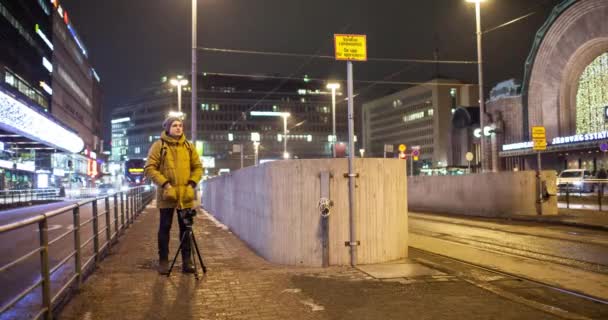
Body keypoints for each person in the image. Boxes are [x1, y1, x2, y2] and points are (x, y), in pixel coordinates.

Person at [144, 116, 203, 274]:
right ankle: (163, 261)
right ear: (167, 128)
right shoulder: (159, 146)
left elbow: (198, 167)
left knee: (186, 229)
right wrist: (165, 184)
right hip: (167, 195)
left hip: (185, 195)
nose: (178, 128)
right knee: (165, 227)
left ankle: (187, 262)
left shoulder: (189, 147)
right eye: (175, 125)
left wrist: (192, 184)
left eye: (180, 125)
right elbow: (149, 168)